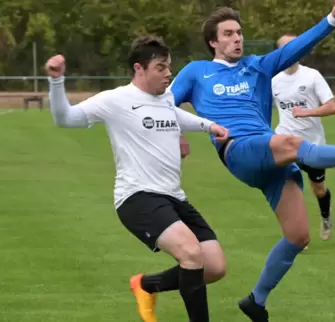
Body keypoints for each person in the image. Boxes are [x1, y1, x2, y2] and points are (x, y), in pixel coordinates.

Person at [170, 1, 335, 321]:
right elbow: (164, 104)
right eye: (228, 34)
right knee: (291, 142)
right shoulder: (197, 72)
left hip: (268, 153)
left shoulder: (258, 65)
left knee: (298, 236)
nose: (237, 38)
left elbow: (298, 46)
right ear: (213, 41)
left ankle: (256, 300)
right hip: (238, 149)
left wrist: (333, 20)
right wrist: (178, 133)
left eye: (239, 32)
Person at [45, 35, 229, 322]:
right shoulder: (115, 100)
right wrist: (57, 82)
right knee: (191, 254)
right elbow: (65, 118)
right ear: (139, 69)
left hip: (173, 195)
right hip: (137, 197)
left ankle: (146, 285)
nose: (168, 73)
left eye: (169, 66)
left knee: (214, 266)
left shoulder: (165, 97)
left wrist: (208, 125)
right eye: (160, 68)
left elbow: (175, 115)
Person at [272, 32, 335, 243]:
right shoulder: (273, 81)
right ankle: (296, 235)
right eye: (286, 48)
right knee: (289, 189)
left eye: (295, 46)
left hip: (313, 145)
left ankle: (326, 217)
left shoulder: (312, 76)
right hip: (285, 142)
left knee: (318, 190)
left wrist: (306, 112)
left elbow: (331, 107)